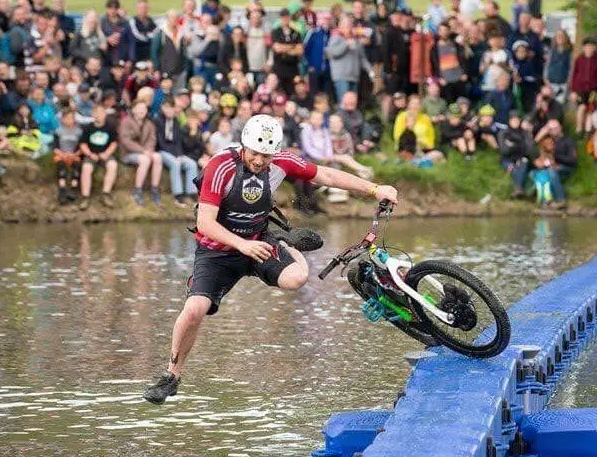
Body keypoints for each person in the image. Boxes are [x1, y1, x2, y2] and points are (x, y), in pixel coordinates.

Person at [142, 115, 398, 404]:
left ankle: (285, 242)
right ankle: (172, 376)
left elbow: (325, 175)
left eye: (266, 155)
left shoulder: (281, 161)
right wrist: (242, 246)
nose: (260, 160)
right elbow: (205, 223)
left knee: (296, 279)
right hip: (218, 252)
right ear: (244, 146)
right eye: (254, 153)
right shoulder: (220, 166)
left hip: (260, 241)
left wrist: (375, 189)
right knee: (194, 309)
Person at [156, 98, 199, 207]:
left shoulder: (175, 121)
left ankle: (191, 193)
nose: (170, 111)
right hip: (162, 151)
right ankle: (178, 196)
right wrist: (175, 156)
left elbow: (178, 141)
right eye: (167, 108)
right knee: (175, 163)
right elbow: (160, 142)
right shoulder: (158, 120)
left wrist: (179, 154)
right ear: (163, 108)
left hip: (175, 152)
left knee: (191, 164)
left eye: (172, 108)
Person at [119, 100, 162, 205]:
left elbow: (152, 139)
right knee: (145, 160)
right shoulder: (126, 122)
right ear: (133, 109)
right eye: (139, 108)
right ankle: (137, 190)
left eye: (144, 108)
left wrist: (148, 150)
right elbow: (126, 141)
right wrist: (143, 151)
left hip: (145, 151)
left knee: (158, 157)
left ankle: (154, 189)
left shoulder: (149, 123)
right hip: (128, 153)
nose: (142, 111)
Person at [78, 105, 119, 210]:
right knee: (86, 168)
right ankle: (85, 197)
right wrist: (90, 154)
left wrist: (106, 153)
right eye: (96, 113)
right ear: (93, 115)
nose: (99, 115)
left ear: (105, 114)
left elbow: (114, 143)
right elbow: (83, 144)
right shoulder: (88, 128)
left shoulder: (110, 127)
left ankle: (106, 194)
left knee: (113, 165)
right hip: (91, 154)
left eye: (101, 113)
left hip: (105, 154)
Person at [569, 37, 597, 135]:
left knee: (590, 109)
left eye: (591, 47)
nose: (589, 49)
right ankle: (579, 129)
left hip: (593, 90)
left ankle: (588, 131)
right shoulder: (579, 59)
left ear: (594, 48)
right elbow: (574, 75)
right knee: (581, 107)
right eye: (587, 47)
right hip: (580, 89)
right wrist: (573, 91)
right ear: (583, 48)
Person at [498, 112, 533, 198]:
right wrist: (520, 146)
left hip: (521, 158)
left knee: (523, 164)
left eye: (517, 119)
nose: (515, 121)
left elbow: (529, 150)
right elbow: (504, 150)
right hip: (507, 159)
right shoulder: (503, 133)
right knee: (514, 170)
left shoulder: (525, 133)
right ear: (509, 121)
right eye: (513, 119)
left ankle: (518, 189)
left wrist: (513, 145)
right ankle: (521, 189)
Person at [53, 109, 83, 203]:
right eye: (66, 118)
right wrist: (63, 155)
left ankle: (74, 188)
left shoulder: (79, 131)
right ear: (62, 119)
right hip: (61, 154)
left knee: (77, 166)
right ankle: (62, 190)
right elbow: (55, 147)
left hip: (75, 154)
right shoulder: (58, 131)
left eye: (71, 118)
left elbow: (81, 147)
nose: (68, 120)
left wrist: (74, 154)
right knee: (61, 166)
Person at [272, 9, 303, 95]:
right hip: (279, 68)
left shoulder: (296, 33)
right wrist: (292, 46)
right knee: (280, 94)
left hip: (292, 69)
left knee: (293, 93)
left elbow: (300, 50)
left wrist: (284, 48)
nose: (285, 19)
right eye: (283, 17)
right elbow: (277, 48)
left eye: (287, 17)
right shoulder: (276, 32)